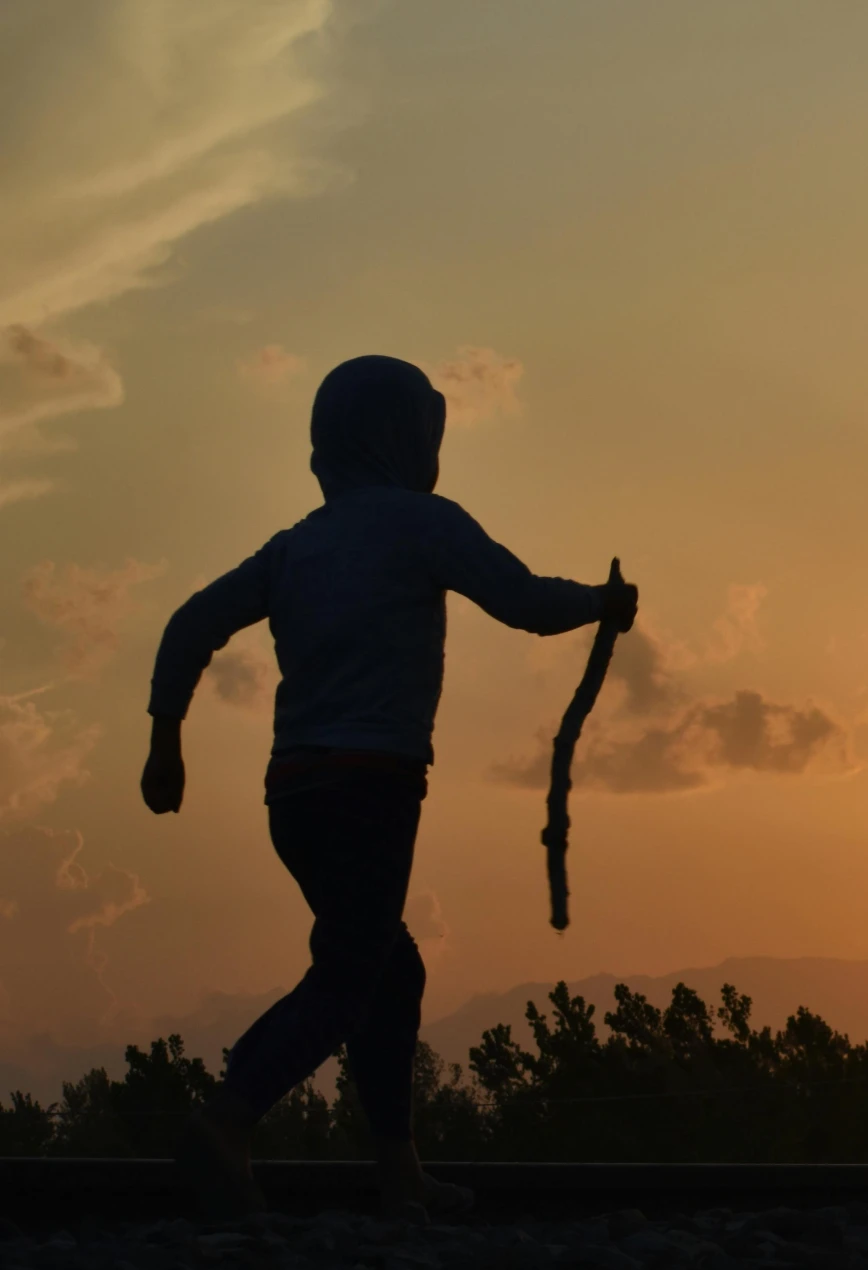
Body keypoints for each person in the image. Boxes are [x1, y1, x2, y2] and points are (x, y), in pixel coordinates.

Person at [142, 355, 636, 1220]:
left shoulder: (294, 548)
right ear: (407, 437)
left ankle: (398, 1171)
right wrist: (600, 600)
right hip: (372, 788)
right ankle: (227, 1118)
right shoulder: (422, 525)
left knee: (387, 967)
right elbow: (519, 599)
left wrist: (165, 740)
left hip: (293, 796)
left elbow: (190, 624)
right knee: (349, 972)